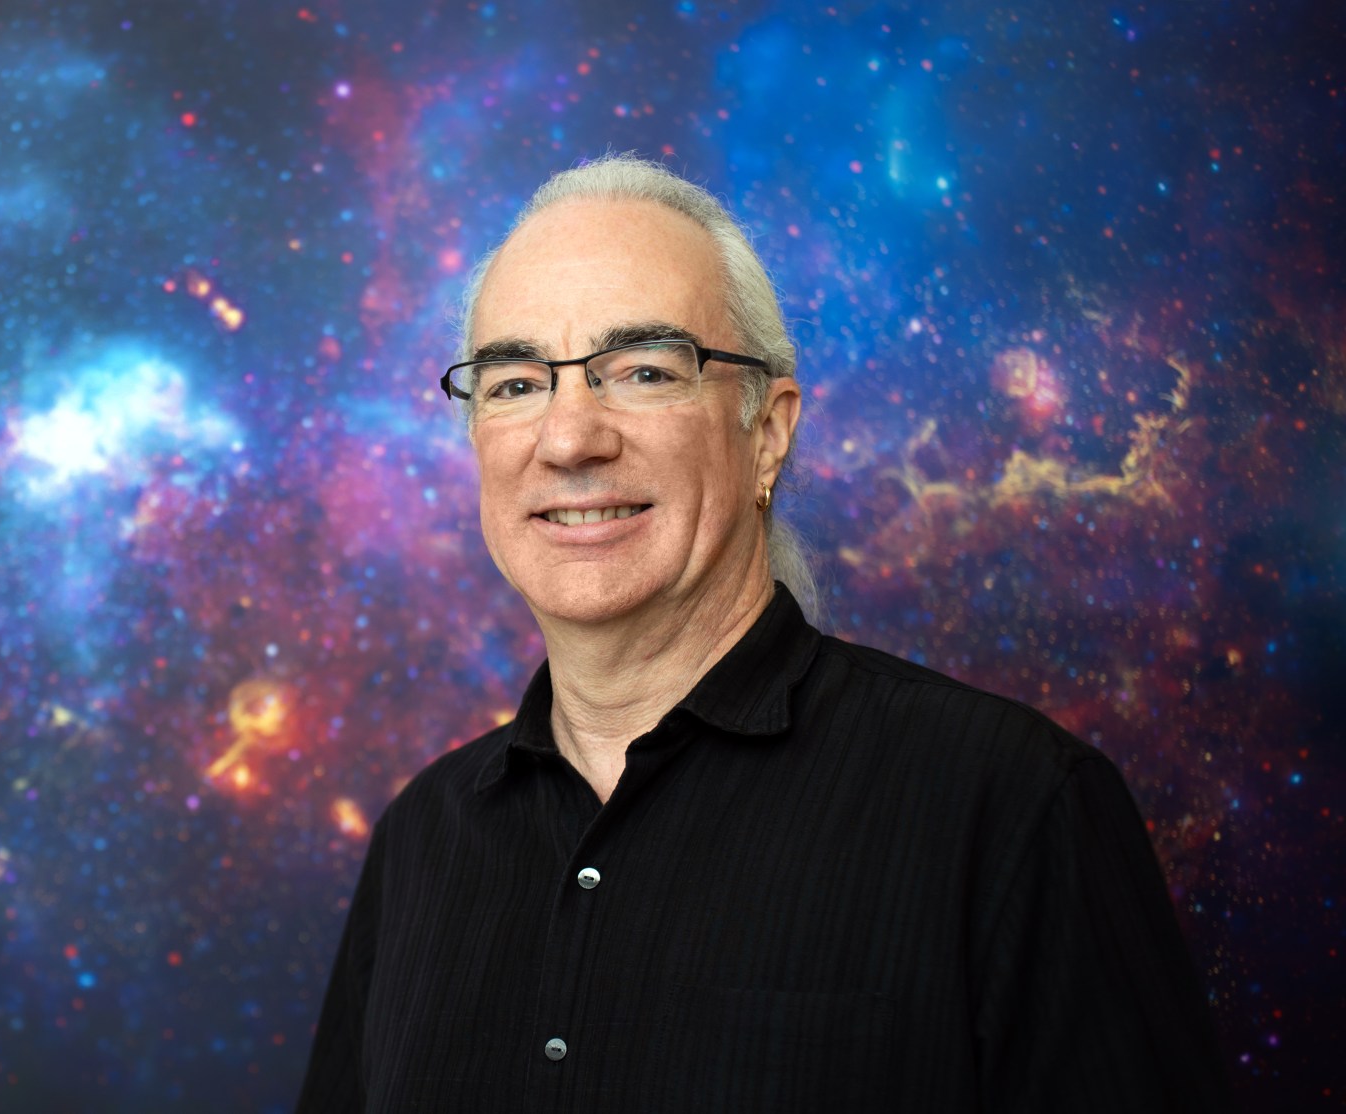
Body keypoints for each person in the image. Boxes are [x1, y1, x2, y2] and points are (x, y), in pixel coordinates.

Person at [294, 153, 1230, 1112]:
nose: (570, 440)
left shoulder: (1014, 806)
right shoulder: (421, 840)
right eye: (516, 384)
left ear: (769, 433)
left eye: (646, 371)